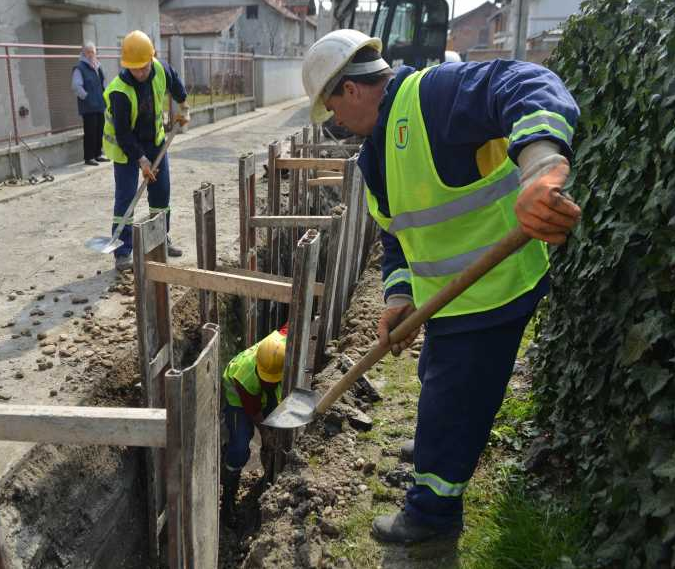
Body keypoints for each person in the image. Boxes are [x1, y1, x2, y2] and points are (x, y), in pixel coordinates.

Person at [301, 30, 582, 544]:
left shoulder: (435, 96)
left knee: (451, 402)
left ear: (352, 90)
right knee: (438, 381)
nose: (336, 124)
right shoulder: (375, 157)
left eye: (333, 110)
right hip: (445, 304)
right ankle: (441, 443)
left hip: (494, 290)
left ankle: (432, 515)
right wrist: (398, 299)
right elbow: (397, 239)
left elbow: (530, 82)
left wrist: (541, 166)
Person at [103, 30, 190, 270]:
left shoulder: (160, 69)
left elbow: (176, 84)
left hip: (155, 143)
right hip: (126, 151)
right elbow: (123, 135)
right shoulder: (119, 91)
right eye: (135, 69)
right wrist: (141, 160)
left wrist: (184, 107)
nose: (140, 73)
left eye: (143, 67)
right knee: (126, 199)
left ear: (151, 59)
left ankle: (161, 238)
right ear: (127, 66)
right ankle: (122, 251)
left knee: (161, 195)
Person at [221, 326, 287, 524]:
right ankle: (228, 498)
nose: (269, 383)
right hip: (240, 401)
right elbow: (253, 410)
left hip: (263, 394)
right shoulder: (245, 376)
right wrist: (265, 433)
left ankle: (271, 475)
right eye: (266, 380)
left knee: (278, 429)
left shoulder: (281, 346)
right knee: (240, 446)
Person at [71, 41, 108, 166]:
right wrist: (87, 98)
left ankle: (98, 154)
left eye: (93, 52)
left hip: (99, 105)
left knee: (100, 130)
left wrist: (105, 96)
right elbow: (76, 87)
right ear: (84, 53)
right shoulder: (79, 68)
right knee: (90, 132)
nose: (92, 54)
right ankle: (89, 157)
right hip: (88, 106)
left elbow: (103, 83)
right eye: (89, 52)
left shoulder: (97, 66)